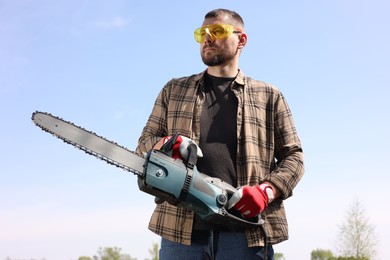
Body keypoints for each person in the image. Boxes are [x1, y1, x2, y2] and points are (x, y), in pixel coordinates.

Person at [135, 8, 304, 260]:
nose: (207, 38)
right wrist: (166, 144)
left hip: (246, 235)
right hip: (180, 231)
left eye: (217, 31)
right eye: (201, 33)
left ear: (241, 40)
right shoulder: (174, 90)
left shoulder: (269, 96)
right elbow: (143, 145)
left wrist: (266, 191)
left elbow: (295, 158)